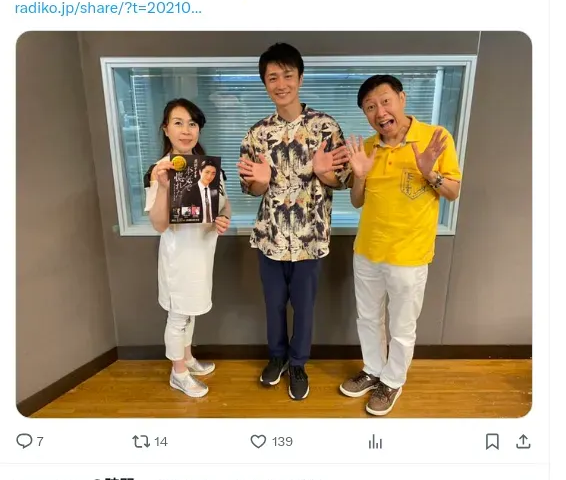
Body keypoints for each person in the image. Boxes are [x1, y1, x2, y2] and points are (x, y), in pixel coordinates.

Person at [338, 69, 463, 410]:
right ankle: (373, 369)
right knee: (368, 318)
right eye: (370, 107)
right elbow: (357, 201)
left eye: (385, 101)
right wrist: (359, 176)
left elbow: (452, 192)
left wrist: (429, 172)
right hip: (367, 251)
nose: (379, 112)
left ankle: (392, 381)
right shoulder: (367, 147)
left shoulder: (435, 137)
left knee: (402, 326)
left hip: (409, 254)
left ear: (402, 99)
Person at [238, 38, 349, 403]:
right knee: (273, 305)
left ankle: (298, 363)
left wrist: (324, 172)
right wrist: (261, 181)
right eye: (272, 77)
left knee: (304, 307)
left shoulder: (325, 127)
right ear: (265, 83)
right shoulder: (257, 134)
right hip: (269, 237)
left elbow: (343, 180)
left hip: (310, 238)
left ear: (300, 78)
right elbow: (251, 190)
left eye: (287, 75)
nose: (281, 83)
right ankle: (277, 358)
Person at [144, 92, 231, 399]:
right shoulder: (160, 170)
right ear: (165, 128)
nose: (186, 130)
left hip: (202, 254)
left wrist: (223, 219)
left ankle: (188, 357)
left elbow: (224, 205)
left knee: (191, 311)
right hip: (178, 259)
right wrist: (164, 187)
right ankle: (178, 373)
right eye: (178, 123)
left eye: (192, 123)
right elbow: (159, 224)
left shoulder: (208, 168)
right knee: (179, 315)